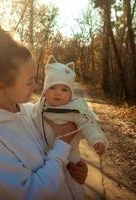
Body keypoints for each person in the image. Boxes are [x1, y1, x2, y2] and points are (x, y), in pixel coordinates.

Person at [0, 18, 88, 200]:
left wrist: (70, 166)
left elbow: (47, 154)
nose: (36, 85)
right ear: (1, 86)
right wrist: (62, 148)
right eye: (29, 81)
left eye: (35, 78)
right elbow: (29, 192)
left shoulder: (28, 111)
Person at [31, 55, 109, 199]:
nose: (58, 92)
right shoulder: (39, 107)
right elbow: (31, 121)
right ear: (45, 90)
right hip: (45, 155)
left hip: (70, 156)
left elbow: (89, 126)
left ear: (70, 93)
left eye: (64, 89)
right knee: (53, 188)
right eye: (52, 87)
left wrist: (97, 140)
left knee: (74, 186)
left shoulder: (75, 109)